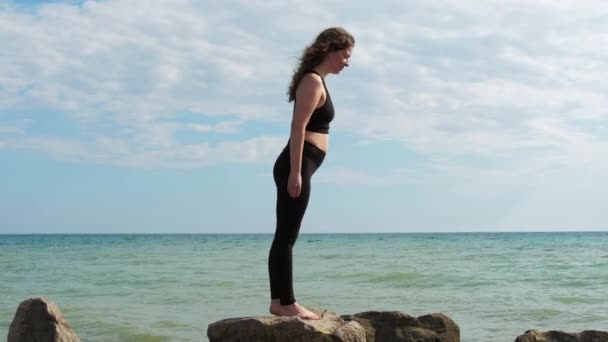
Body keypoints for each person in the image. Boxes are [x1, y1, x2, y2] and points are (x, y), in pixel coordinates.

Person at [268, 27, 355, 320]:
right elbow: (297, 127)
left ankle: (279, 301)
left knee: (285, 234)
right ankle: (286, 302)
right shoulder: (312, 82)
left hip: (302, 165)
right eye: (345, 55)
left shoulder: (318, 81)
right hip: (298, 164)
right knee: (287, 236)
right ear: (330, 49)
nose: (347, 62)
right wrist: (295, 172)